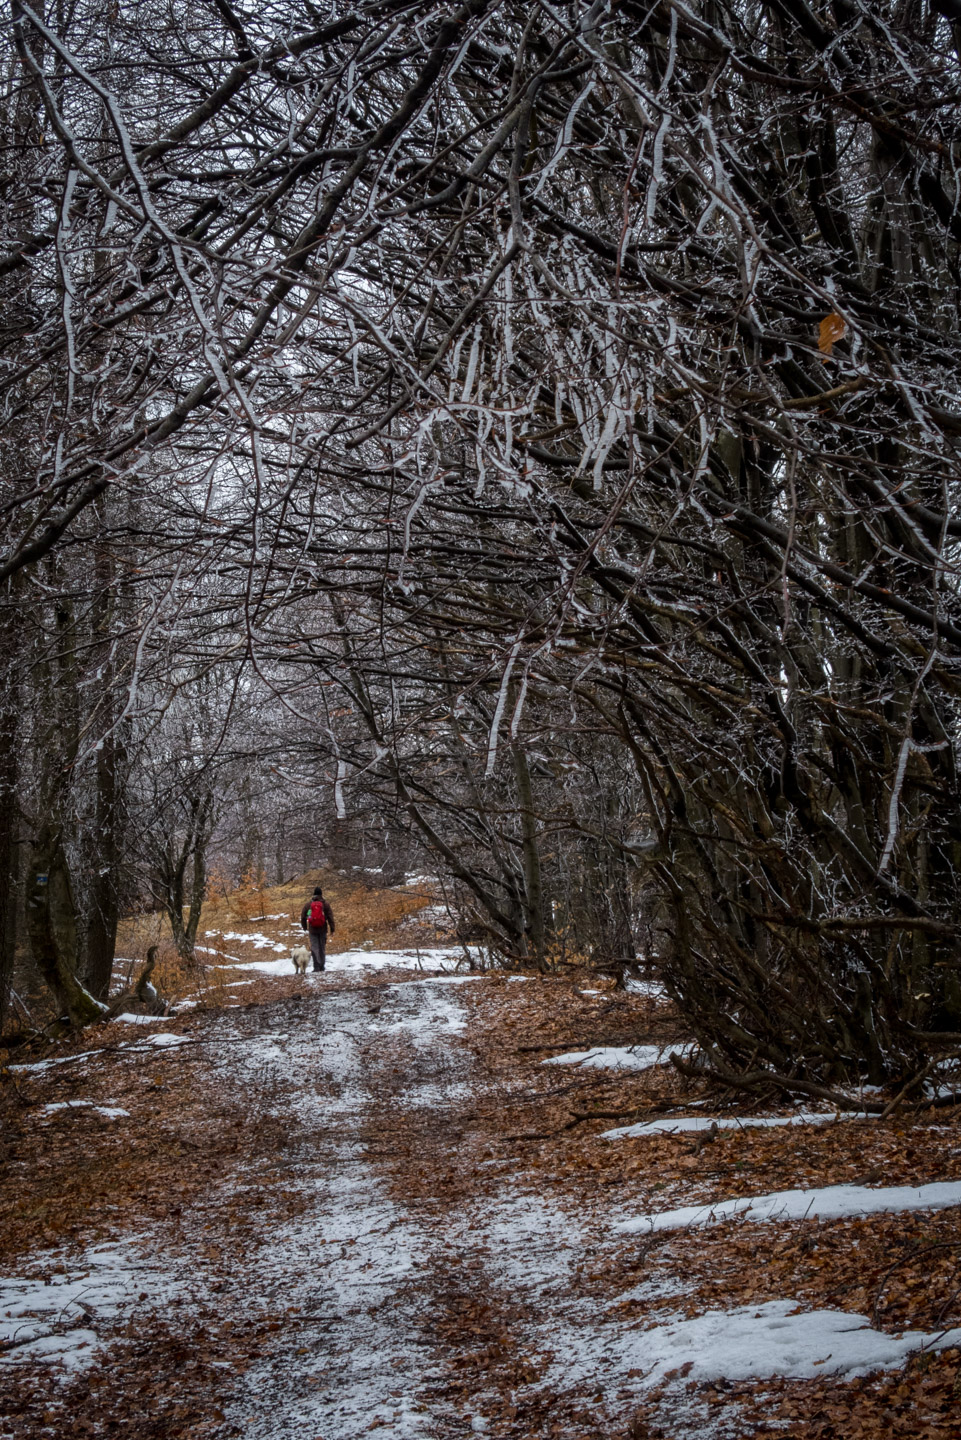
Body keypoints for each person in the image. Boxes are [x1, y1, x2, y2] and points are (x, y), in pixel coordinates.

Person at [300, 886, 335, 972]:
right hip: (323, 929)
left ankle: (316, 966)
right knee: (322, 947)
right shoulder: (325, 904)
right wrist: (332, 929)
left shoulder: (309, 904)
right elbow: (330, 917)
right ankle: (322, 966)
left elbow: (303, 916)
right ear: (321, 894)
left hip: (312, 929)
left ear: (314, 894)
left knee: (314, 947)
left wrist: (304, 926)